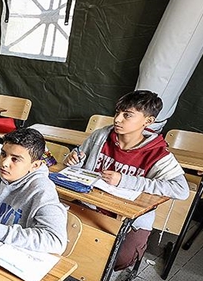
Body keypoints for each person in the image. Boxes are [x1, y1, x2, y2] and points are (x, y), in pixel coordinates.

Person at [64, 90, 188, 270]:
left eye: (127, 115)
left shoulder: (157, 153)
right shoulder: (101, 136)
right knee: (62, 235)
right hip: (91, 204)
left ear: (148, 121)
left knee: (119, 259)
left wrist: (126, 180)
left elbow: (181, 190)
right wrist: (74, 161)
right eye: (117, 113)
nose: (117, 119)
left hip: (129, 217)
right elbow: (79, 166)